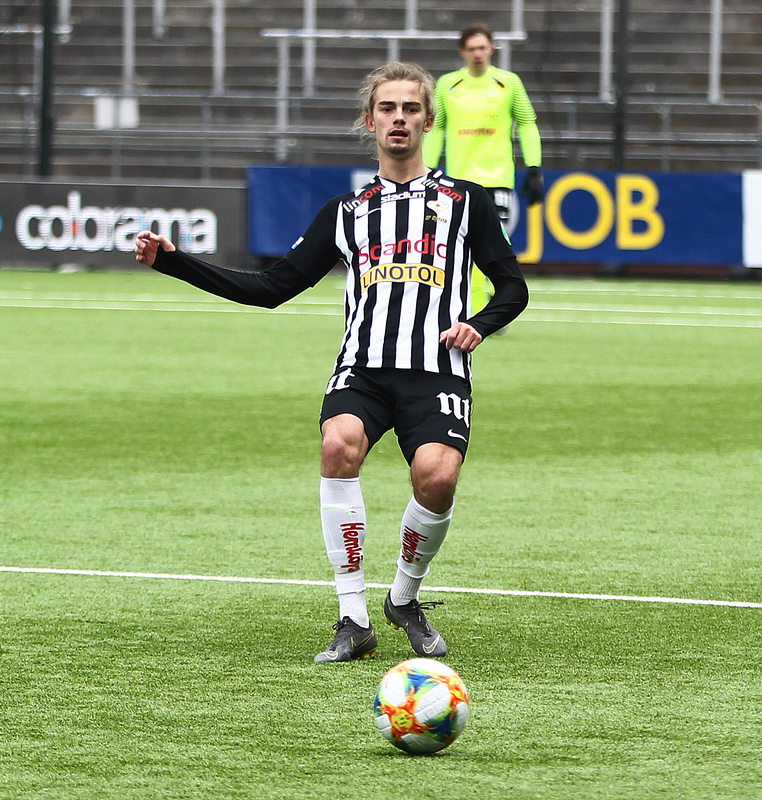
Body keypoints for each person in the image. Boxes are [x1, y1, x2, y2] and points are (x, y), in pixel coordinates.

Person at [133, 62, 528, 664]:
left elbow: (512, 288)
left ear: (429, 121)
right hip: (363, 370)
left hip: (437, 370)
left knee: (439, 478)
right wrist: (173, 261)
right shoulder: (346, 211)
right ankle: (353, 618)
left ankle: (403, 599)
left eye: (411, 109)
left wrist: (479, 323)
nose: (399, 119)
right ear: (370, 121)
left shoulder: (466, 202)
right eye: (388, 108)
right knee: (338, 445)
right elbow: (270, 288)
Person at [424, 23, 543, 311]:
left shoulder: (508, 83)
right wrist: (426, 169)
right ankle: (479, 306)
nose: (477, 54)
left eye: (482, 48)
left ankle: (481, 303)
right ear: (462, 52)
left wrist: (534, 168)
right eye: (471, 49)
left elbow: (527, 123)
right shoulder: (447, 85)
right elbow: (436, 129)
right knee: (462, 247)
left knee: (492, 247)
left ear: (491, 48)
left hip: (497, 178)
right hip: (459, 182)